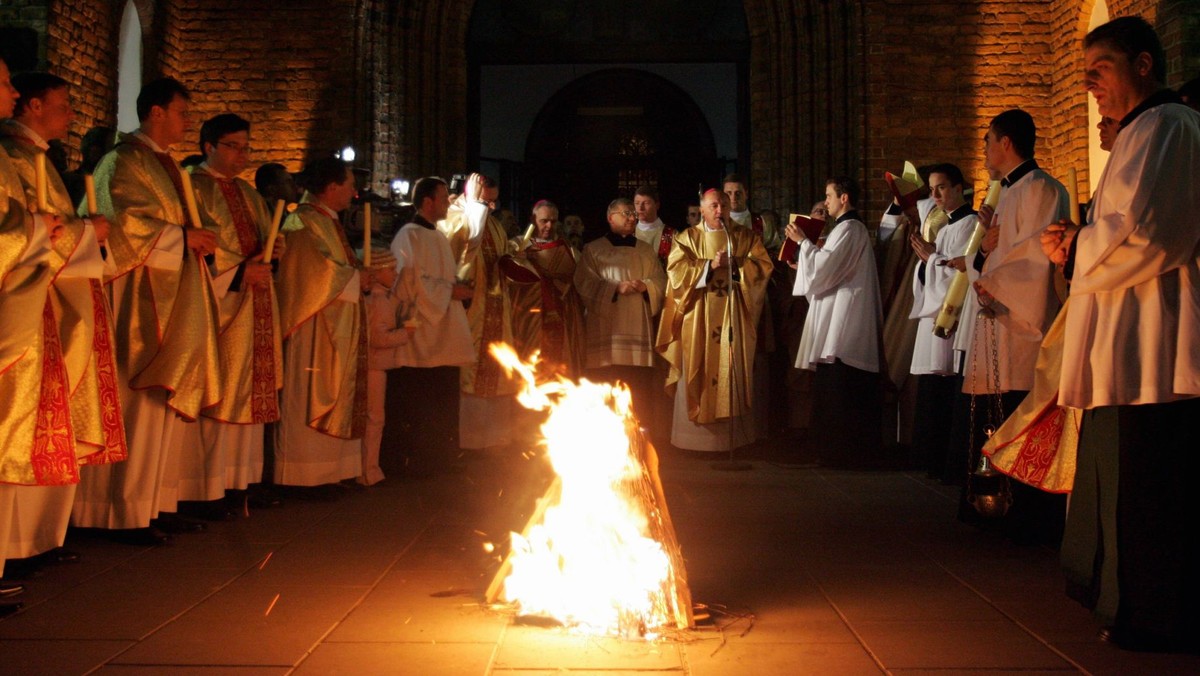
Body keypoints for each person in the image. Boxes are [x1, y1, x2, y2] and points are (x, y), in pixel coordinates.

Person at [1041, 16, 1200, 652]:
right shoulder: (1141, 131)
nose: (1089, 87)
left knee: (1153, 482)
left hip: (1153, 338)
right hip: (1125, 335)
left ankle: (1158, 615)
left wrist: (1080, 242)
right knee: (1128, 478)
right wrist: (1076, 244)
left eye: (1098, 70)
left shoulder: (1170, 126)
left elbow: (1151, 233)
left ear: (1141, 64)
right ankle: (1130, 603)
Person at [71, 77, 222, 545]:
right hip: (137, 298)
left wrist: (199, 236)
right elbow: (122, 225)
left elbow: (179, 221)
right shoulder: (123, 161)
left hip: (172, 290)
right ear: (156, 112)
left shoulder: (168, 165)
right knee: (135, 401)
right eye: (181, 112)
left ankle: (155, 502)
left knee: (161, 404)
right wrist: (180, 238)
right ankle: (117, 510)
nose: (187, 121)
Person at [1, 71, 125, 569]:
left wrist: (68, 232)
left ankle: (29, 542)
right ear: (33, 105)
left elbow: (38, 228)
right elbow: (30, 229)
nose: (71, 115)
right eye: (6, 83)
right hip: (27, 306)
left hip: (45, 302)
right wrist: (72, 231)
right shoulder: (14, 155)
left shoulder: (33, 157)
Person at [958, 109, 1068, 545]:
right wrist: (982, 261)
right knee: (990, 415)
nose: (984, 150)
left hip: (1023, 324)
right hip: (997, 316)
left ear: (1006, 143)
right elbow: (990, 252)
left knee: (1017, 407)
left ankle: (1024, 517)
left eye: (987, 141)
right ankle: (990, 505)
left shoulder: (1042, 188)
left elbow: (1037, 255)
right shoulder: (1007, 193)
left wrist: (992, 279)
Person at [186, 113, 285, 517]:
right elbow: (195, 243)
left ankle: (240, 483)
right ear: (208, 146)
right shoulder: (192, 186)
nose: (242, 154)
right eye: (233, 146)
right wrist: (240, 271)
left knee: (249, 395)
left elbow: (262, 240)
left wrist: (273, 252)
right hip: (219, 305)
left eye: (246, 147)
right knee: (221, 392)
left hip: (255, 305)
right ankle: (206, 487)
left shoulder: (247, 193)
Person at [0, 56, 68, 614]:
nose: (11, 92)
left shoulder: (17, 157)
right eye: (4, 83)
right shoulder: (11, 155)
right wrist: (37, 229)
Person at [274, 157, 366, 492]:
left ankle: (330, 473)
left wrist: (358, 275)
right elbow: (309, 272)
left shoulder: (327, 220)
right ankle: (303, 476)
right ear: (330, 188)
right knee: (308, 395)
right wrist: (359, 277)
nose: (354, 192)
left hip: (336, 322)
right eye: (350, 185)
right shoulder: (301, 221)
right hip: (312, 325)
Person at [658, 189, 771, 452]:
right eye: (713, 206)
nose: (719, 210)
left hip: (733, 318)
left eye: (723, 205)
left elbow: (763, 268)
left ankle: (731, 442)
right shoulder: (687, 238)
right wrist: (709, 267)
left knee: (730, 368)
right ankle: (692, 441)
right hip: (697, 317)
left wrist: (735, 264)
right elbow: (675, 273)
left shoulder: (744, 237)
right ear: (702, 210)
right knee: (696, 367)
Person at [790, 177, 883, 467]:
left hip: (845, 322)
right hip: (838, 318)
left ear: (844, 198)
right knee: (832, 387)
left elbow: (826, 269)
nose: (826, 201)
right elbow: (824, 269)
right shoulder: (845, 229)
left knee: (841, 389)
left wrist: (803, 243)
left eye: (829, 196)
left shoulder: (850, 228)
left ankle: (839, 453)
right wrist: (804, 261)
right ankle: (829, 451)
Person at [386, 176, 474, 476]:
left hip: (444, 335)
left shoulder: (437, 236)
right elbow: (408, 282)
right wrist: (450, 292)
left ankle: (441, 459)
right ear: (427, 202)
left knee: (442, 402)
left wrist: (456, 288)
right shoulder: (408, 236)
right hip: (420, 335)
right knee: (421, 402)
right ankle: (417, 463)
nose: (449, 202)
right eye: (443, 197)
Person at [438, 173, 519, 455]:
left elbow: (499, 253)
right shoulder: (453, 216)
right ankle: (468, 441)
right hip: (470, 309)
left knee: (497, 369)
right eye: (488, 201)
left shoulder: (491, 222)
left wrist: (511, 259)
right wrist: (476, 206)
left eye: (495, 203)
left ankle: (494, 439)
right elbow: (464, 249)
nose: (492, 208)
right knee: (470, 370)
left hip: (495, 305)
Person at [905, 164, 977, 477]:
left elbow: (960, 275)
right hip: (934, 313)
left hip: (951, 316)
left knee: (944, 386)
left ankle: (943, 462)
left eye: (942, 187)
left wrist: (932, 259)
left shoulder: (970, 223)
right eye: (932, 189)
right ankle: (928, 460)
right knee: (932, 387)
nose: (935, 195)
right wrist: (930, 260)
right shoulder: (947, 225)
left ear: (960, 188)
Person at [575, 198, 667, 426]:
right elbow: (583, 283)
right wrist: (615, 288)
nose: (631, 217)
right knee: (605, 390)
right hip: (607, 334)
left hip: (638, 330)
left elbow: (661, 281)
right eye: (625, 213)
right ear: (610, 217)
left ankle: (640, 439)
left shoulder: (646, 250)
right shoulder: (594, 249)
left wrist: (648, 286)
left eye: (632, 214)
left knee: (639, 391)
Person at [506, 200, 585, 379]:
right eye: (544, 221)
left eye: (553, 221)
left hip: (560, 313)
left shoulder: (568, 249)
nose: (549, 225)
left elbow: (579, 278)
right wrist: (520, 260)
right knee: (530, 363)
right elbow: (508, 278)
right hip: (529, 316)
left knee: (559, 366)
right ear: (533, 220)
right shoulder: (517, 245)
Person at [359, 248, 409, 486]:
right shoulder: (378, 301)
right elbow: (378, 339)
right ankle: (368, 470)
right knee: (374, 418)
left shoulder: (381, 298)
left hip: (377, 366)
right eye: (390, 269)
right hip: (375, 367)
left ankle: (369, 468)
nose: (395, 272)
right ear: (376, 273)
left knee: (374, 417)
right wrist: (406, 333)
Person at [633, 185, 675, 267]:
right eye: (637, 203)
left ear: (657, 205)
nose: (640, 208)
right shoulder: (628, 233)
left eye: (646, 203)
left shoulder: (672, 235)